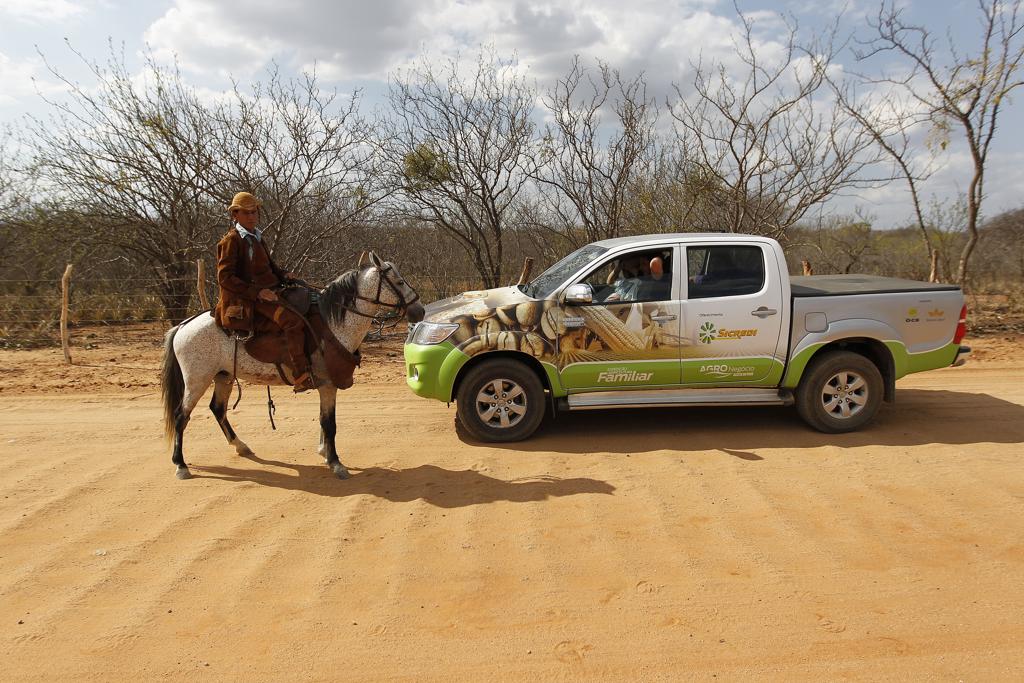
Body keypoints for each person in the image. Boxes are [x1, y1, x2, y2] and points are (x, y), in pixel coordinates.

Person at [213, 192, 315, 392]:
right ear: (235, 215)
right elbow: (224, 278)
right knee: (292, 321)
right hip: (248, 301)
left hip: (270, 293)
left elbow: (269, 268)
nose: (252, 217)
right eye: (246, 213)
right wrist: (258, 293)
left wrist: (285, 275)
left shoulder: (257, 236)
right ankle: (300, 374)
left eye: (254, 212)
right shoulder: (231, 241)